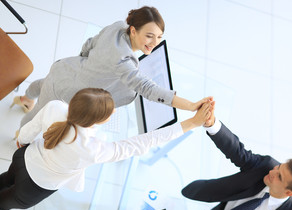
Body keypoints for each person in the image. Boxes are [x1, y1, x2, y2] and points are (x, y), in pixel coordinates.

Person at [0, 88, 213, 210]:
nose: (114, 112)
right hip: (35, 186)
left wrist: (23, 143)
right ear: (95, 120)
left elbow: (28, 133)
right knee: (5, 201)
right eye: (110, 112)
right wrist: (191, 123)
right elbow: (143, 142)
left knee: (5, 180)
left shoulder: (57, 106)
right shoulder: (92, 150)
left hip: (23, 159)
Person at [11, 6, 210, 128]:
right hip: (65, 91)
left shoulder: (117, 27)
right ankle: (21, 137)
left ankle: (25, 97)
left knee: (44, 83)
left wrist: (85, 67)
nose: (154, 42)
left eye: (159, 37)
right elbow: (148, 89)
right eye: (149, 36)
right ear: (133, 31)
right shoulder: (123, 61)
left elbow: (89, 43)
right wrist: (191, 106)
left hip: (65, 69)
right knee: (35, 118)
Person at [181, 103, 292, 210]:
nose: (273, 172)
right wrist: (212, 124)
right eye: (279, 167)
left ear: (288, 193)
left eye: (279, 177)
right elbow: (237, 151)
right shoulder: (266, 166)